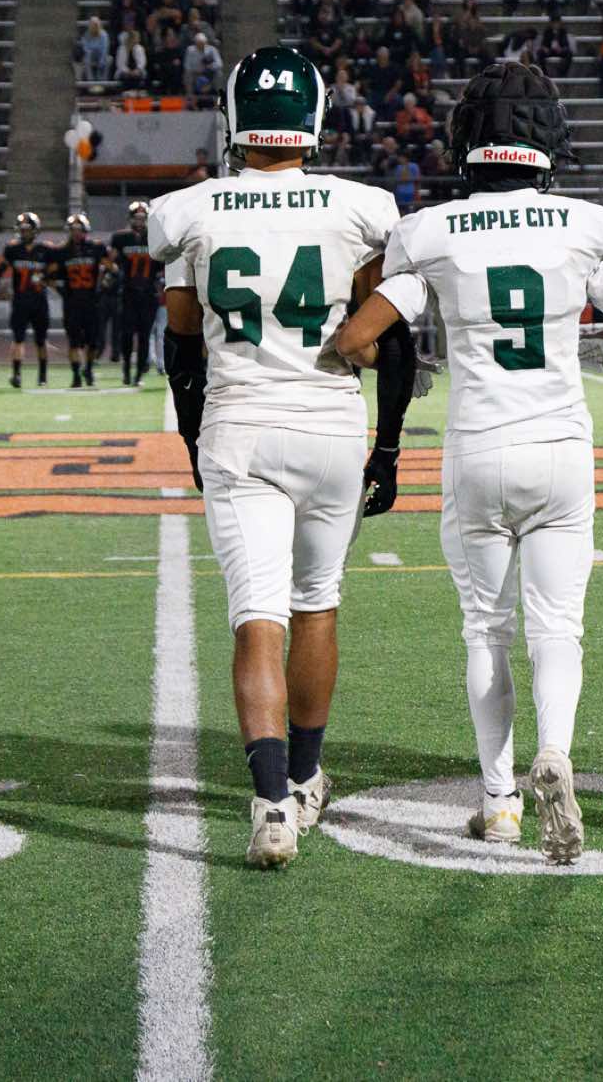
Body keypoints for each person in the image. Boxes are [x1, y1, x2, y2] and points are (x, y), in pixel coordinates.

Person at [335, 60, 603, 864]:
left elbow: (359, 337)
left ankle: (498, 801)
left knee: (485, 630)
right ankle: (554, 750)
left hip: (479, 450)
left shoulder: (429, 231)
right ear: (549, 139)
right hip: (561, 446)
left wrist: (400, 365)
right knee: (558, 626)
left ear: (468, 138)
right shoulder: (589, 225)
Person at [148, 45, 415, 870]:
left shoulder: (188, 210)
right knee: (317, 603)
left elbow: (182, 346)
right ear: (314, 118)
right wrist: (388, 446)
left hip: (241, 425)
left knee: (256, 616)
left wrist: (193, 440)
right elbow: (391, 335)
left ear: (234, 118)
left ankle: (270, 806)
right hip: (331, 423)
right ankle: (304, 778)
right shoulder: (361, 206)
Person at [0, 210, 56, 388]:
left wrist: (47, 279)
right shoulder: (13, 249)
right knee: (18, 339)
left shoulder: (46, 249)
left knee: (41, 340)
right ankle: (16, 374)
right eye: (22, 229)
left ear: (35, 230)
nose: (24, 233)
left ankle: (43, 375)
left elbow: (55, 272)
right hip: (20, 301)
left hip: (39, 301)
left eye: (27, 229)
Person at [110, 200, 163, 386]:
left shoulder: (156, 238)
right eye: (136, 218)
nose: (139, 221)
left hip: (148, 294)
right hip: (128, 293)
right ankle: (126, 369)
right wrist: (114, 272)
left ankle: (139, 373)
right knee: (126, 334)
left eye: (142, 218)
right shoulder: (120, 238)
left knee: (144, 336)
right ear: (130, 219)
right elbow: (111, 262)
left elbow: (163, 266)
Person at [53, 213, 107, 388]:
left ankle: (89, 369)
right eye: (73, 230)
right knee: (74, 342)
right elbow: (49, 275)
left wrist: (104, 285)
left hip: (92, 302)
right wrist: (62, 291)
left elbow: (112, 268)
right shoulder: (62, 252)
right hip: (72, 303)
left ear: (85, 231)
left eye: (79, 229)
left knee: (93, 342)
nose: (76, 233)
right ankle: (76, 374)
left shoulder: (97, 247)